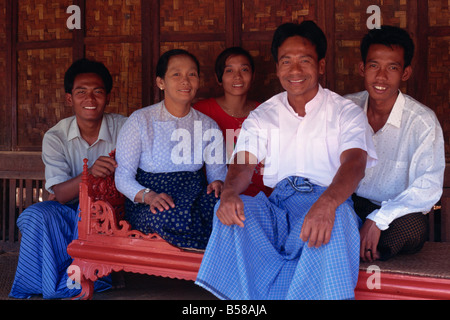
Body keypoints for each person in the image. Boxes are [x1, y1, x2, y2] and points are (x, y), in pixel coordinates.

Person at [195, 21, 377, 300]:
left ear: (321, 66)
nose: (295, 70)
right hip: (278, 207)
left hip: (327, 199)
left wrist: (327, 202)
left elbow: (354, 163)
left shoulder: (344, 112)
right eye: (286, 61)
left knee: (337, 217)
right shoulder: (263, 114)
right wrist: (230, 193)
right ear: (277, 67)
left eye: (304, 60)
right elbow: (243, 163)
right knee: (232, 213)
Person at [9, 58, 127, 299]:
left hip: (113, 212)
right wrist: (90, 173)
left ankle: (74, 283)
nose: (90, 100)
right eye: (81, 92)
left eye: (97, 92)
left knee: (87, 215)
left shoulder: (125, 128)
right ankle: (39, 284)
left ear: (107, 96)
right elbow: (61, 194)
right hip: (69, 208)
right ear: (69, 98)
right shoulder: (56, 136)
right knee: (35, 215)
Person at [345, 25, 445, 262]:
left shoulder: (422, 121)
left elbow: (428, 186)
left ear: (405, 73)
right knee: (334, 214)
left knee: (413, 229)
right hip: (350, 205)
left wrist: (379, 218)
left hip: (395, 213)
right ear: (362, 68)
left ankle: (354, 244)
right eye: (373, 66)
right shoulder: (345, 109)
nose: (381, 77)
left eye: (392, 67)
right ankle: (355, 242)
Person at [115, 49, 227, 251]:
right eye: (176, 74)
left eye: (191, 74)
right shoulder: (140, 121)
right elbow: (122, 176)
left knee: (224, 208)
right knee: (164, 216)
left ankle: (204, 252)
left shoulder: (208, 125)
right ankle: (207, 251)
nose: (186, 81)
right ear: (161, 82)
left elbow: (217, 177)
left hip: (194, 196)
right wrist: (148, 196)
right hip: (153, 198)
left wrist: (218, 184)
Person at [194, 47, 272, 197]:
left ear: (253, 76)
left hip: (263, 197)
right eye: (229, 71)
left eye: (244, 70)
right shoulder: (202, 112)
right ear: (219, 78)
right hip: (218, 196)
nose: (238, 76)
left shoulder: (266, 112)